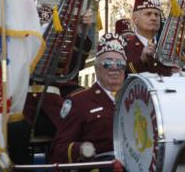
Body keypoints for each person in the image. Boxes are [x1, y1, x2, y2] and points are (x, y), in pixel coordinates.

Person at [0, 8, 93, 165]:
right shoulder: (10, 45)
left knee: (75, 129)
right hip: (21, 108)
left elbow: (73, 69)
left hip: (51, 110)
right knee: (15, 130)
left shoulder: (56, 52)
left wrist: (80, 33)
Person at [50, 32, 127, 165]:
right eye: (108, 63)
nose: (115, 67)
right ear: (97, 69)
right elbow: (58, 150)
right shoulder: (79, 102)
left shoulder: (135, 100)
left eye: (120, 64)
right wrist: (81, 149)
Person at [124, 0, 179, 76]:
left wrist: (180, 72)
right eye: (148, 14)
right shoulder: (125, 48)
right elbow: (121, 78)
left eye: (157, 14)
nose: (154, 18)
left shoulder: (168, 48)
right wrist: (142, 60)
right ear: (135, 19)